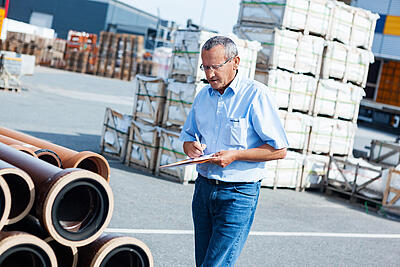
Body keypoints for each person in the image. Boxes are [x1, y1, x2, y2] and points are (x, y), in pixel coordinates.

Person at [179, 36, 289, 267]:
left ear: (235, 62)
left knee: (215, 264)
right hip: (203, 190)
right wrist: (191, 147)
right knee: (204, 263)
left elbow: (279, 150)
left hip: (238, 194)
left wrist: (235, 155)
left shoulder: (256, 95)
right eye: (205, 66)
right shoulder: (203, 96)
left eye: (215, 67)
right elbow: (188, 137)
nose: (209, 74)